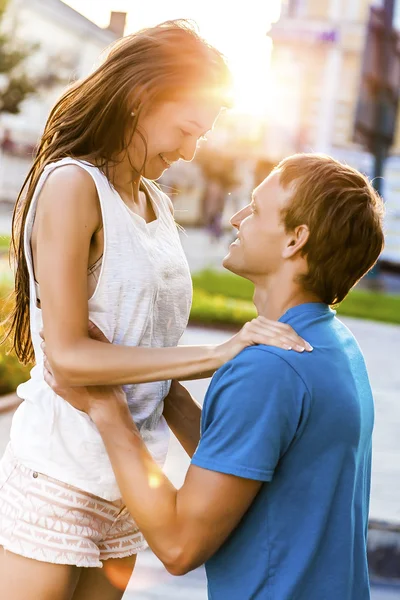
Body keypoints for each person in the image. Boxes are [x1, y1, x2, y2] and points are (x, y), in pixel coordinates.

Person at [0, 20, 310, 600]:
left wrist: (237, 466)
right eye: (188, 128)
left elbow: (155, 372)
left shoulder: (155, 204)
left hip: (130, 482)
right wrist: (218, 353)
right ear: (141, 101)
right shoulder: (73, 187)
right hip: (58, 477)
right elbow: (67, 356)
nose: (191, 151)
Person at [44, 153, 385, 600]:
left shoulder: (270, 369)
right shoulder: (331, 345)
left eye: (257, 209)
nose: (236, 218)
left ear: (294, 241)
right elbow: (247, 461)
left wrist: (107, 408)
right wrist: (160, 380)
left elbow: (179, 546)